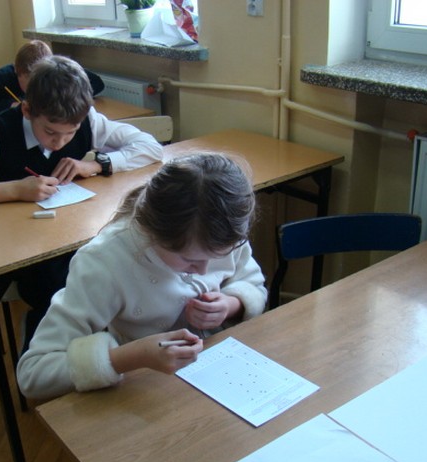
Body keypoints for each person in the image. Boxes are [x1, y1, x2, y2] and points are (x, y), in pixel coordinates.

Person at [0, 55, 162, 331]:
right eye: (50, 132)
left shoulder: (89, 120)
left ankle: (95, 335)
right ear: (27, 110)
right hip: (22, 244)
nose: (60, 142)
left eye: (70, 133)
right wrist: (14, 189)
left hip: (72, 230)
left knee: (115, 262)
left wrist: (97, 164)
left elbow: (150, 147)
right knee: (57, 286)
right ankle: (45, 334)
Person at [16, 152, 268, 400]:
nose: (203, 270)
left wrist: (231, 304)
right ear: (153, 234)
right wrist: (132, 356)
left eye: (216, 257)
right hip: (142, 388)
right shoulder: (105, 261)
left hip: (216, 373)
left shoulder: (221, 230)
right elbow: (33, 374)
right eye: (189, 260)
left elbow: (253, 284)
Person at [0, 40, 105, 121]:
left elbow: (97, 83)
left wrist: (62, 97)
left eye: (42, 83)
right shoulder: (2, 78)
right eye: (30, 85)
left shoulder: (57, 72)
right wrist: (10, 106)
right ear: (17, 71)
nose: (36, 90)